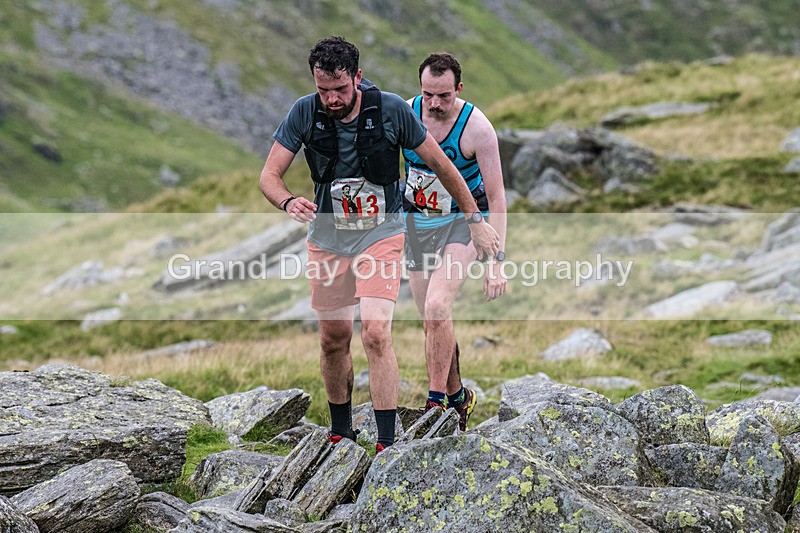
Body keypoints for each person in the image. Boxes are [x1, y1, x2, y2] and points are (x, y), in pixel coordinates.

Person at [259, 37, 500, 453]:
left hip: (382, 233)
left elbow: (443, 166)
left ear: (357, 76)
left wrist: (477, 223)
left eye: (340, 89)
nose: (332, 99)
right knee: (333, 338)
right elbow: (268, 175)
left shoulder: (390, 110)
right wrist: (286, 199)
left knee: (375, 331)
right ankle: (341, 431)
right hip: (329, 237)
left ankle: (388, 441)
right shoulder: (303, 111)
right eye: (323, 90)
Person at [402, 52, 507, 431]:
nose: (434, 103)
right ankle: (460, 397)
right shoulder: (406, 113)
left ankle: (435, 408)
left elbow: (497, 199)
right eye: (428, 94)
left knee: (436, 305)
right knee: (433, 322)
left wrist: (496, 261)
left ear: (458, 89)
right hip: (418, 222)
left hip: (466, 221)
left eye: (444, 95)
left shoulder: (477, 128)